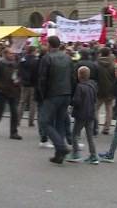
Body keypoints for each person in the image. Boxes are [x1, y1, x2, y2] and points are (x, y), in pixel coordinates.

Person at [38, 36, 74, 164]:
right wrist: (71, 94)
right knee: (59, 122)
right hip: (66, 93)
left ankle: (61, 147)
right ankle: (59, 155)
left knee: (44, 122)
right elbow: (73, 77)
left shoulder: (47, 58)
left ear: (49, 45)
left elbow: (42, 79)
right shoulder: (67, 57)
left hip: (52, 94)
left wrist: (42, 96)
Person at [66, 66, 99, 164]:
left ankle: (75, 153)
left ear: (79, 75)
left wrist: (71, 103)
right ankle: (93, 156)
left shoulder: (80, 87)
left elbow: (77, 101)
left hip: (81, 114)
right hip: (91, 113)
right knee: (90, 136)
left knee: (74, 134)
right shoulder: (93, 86)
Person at [0, 48, 22, 140]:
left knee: (14, 112)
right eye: (10, 53)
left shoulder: (15, 64)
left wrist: (18, 81)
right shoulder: (0, 64)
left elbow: (19, 75)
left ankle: (14, 132)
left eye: (13, 53)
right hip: (2, 92)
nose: (13, 55)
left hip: (13, 91)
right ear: (5, 54)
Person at [95, 47, 116, 135]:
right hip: (110, 89)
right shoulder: (113, 65)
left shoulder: (96, 64)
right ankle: (106, 128)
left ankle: (95, 126)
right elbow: (115, 78)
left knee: (95, 108)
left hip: (98, 89)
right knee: (109, 108)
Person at [18, 45, 39, 127]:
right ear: (33, 51)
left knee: (22, 101)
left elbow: (19, 70)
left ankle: (18, 120)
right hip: (33, 84)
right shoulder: (36, 60)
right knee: (33, 103)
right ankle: (31, 121)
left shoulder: (23, 59)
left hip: (24, 83)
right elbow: (37, 73)